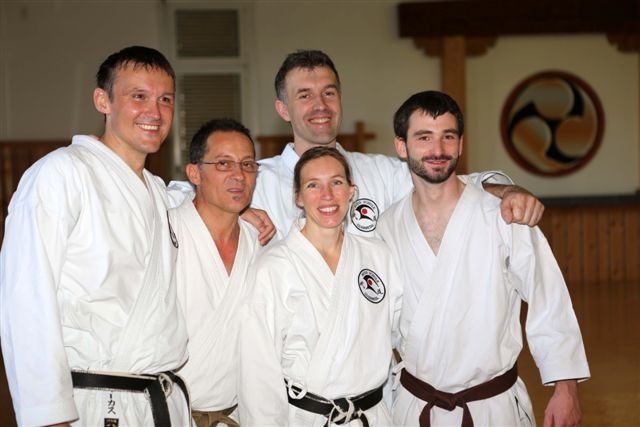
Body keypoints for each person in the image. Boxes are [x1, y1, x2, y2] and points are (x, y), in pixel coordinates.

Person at [0, 46, 192, 426]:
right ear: (103, 101)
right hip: (89, 403)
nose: (155, 113)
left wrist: (239, 211)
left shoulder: (157, 192)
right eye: (139, 96)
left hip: (158, 400)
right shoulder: (60, 174)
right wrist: (48, 416)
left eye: (165, 100)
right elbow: (26, 297)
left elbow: (195, 202)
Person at [376, 90, 590, 427]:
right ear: (401, 146)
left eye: (448, 136)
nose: (438, 149)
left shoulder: (502, 215)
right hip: (415, 407)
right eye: (424, 137)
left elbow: (548, 297)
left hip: (492, 407)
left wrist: (566, 389)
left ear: (461, 144)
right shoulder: (387, 226)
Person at [250, 49, 545, 241]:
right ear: (283, 109)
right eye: (304, 96)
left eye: (329, 93)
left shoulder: (380, 173)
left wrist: (506, 191)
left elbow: (448, 188)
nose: (321, 106)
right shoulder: (257, 182)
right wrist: (234, 213)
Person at [238, 147, 403, 426]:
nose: (327, 195)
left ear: (352, 191)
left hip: (373, 417)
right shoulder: (273, 266)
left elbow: (402, 333)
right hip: (308, 418)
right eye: (313, 185)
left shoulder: (378, 256)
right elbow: (258, 372)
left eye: (336, 182)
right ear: (298, 197)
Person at [171, 118, 261, 427]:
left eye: (248, 165)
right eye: (224, 164)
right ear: (194, 173)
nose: (239, 175)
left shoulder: (258, 243)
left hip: (238, 414)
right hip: (170, 413)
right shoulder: (166, 234)